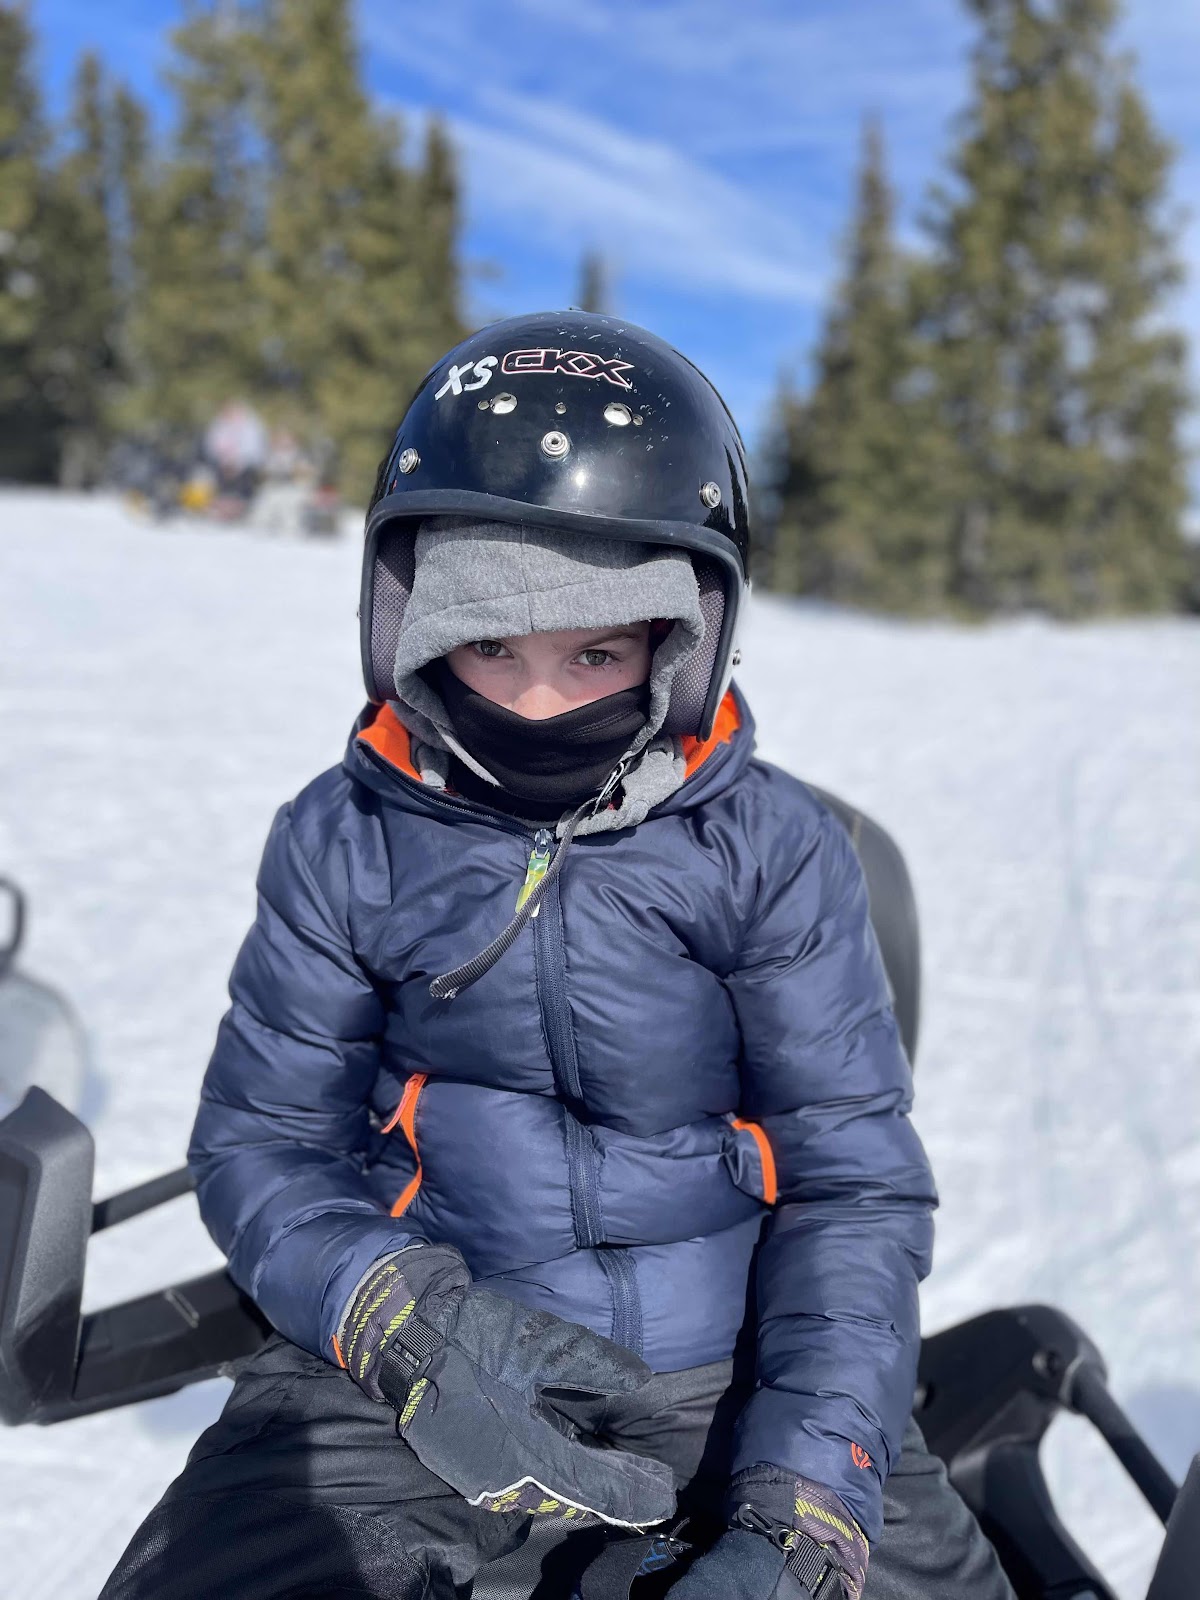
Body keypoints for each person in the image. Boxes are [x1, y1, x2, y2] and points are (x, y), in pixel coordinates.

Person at [101, 313, 1014, 1600]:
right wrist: (395, 1316)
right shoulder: (347, 836)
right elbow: (264, 1139)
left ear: (680, 639)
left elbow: (851, 1184)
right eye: (492, 647)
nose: (538, 703)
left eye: (594, 651)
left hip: (731, 1375)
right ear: (415, 627)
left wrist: (806, 1504)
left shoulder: (773, 848)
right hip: (416, 1364)